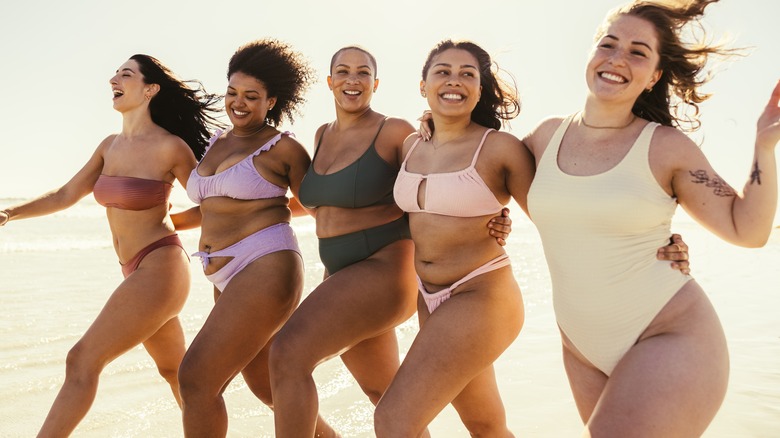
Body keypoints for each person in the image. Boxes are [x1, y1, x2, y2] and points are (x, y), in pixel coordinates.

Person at [521, 0, 779, 435]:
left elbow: (747, 229)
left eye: (639, 52)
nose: (618, 58)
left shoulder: (664, 147)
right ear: (591, 52)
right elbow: (484, 180)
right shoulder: (544, 137)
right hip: (581, 348)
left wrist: (763, 147)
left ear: (655, 75)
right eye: (609, 43)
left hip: (668, 335)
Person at [267, 45, 513, 437]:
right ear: (329, 83)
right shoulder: (321, 134)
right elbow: (323, 201)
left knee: (287, 355)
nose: (353, 79)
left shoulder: (395, 131)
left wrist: (493, 214)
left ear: (375, 83)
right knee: (388, 399)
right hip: (340, 273)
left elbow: (438, 173)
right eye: (343, 72)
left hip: (385, 266)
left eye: (363, 72)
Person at [0, 54, 222, 436]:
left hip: (161, 267)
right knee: (176, 373)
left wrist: (173, 222)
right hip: (134, 268)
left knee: (82, 359)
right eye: (116, 74)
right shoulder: (109, 146)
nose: (113, 80)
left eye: (126, 74)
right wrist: (8, 213)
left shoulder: (171, 148)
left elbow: (213, 207)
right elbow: (66, 194)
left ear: (150, 89)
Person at [170, 39, 342, 437]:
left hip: (265, 265)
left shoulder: (283, 148)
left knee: (196, 379)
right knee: (267, 387)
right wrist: (168, 223)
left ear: (271, 101)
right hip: (223, 274)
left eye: (251, 96)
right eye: (232, 93)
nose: (238, 103)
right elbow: (217, 208)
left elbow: (317, 204)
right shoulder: (217, 141)